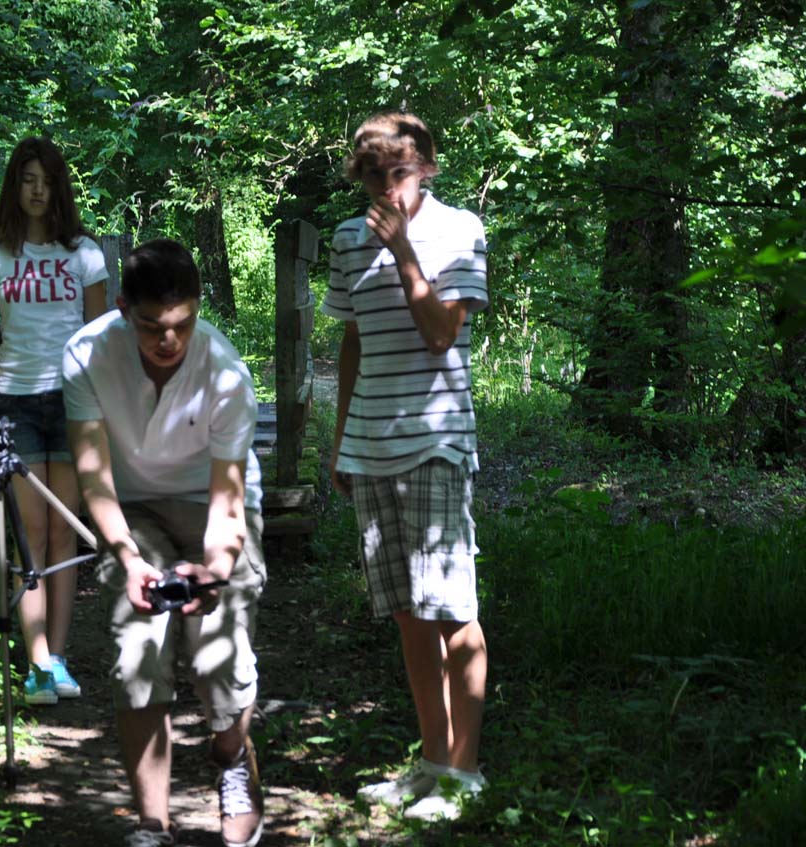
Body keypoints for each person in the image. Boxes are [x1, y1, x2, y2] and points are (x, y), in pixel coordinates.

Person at [62, 239, 266, 847]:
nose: (169, 340)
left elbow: (228, 498)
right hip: (132, 509)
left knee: (219, 653)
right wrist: (127, 559)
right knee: (138, 651)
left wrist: (215, 568)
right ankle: (152, 822)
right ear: (123, 308)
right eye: (152, 326)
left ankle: (231, 757)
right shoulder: (85, 355)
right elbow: (93, 476)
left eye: (183, 323)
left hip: (212, 506)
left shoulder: (226, 372)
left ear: (198, 308)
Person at [322, 112, 490, 822]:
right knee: (406, 612)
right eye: (374, 177)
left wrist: (403, 255)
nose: (388, 189)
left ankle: (464, 774)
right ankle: (432, 762)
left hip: (435, 440)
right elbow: (353, 342)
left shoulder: (460, 230)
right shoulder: (346, 240)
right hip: (371, 441)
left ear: (426, 167)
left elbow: (442, 332)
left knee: (452, 610)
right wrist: (341, 438)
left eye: (401, 172)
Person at [0, 136, 108, 705]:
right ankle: (38, 665)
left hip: (73, 403)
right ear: (14, 186)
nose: (37, 190)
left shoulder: (86, 255)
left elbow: (100, 340)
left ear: (59, 189)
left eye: (46, 181)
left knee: (64, 533)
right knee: (29, 536)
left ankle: (60, 658)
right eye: (27, 179)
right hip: (17, 404)